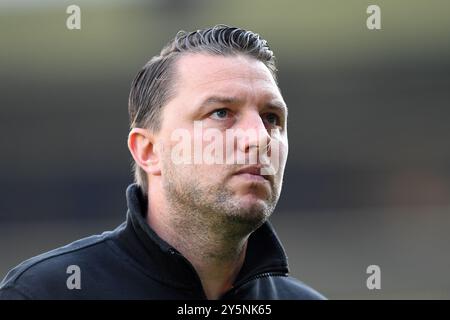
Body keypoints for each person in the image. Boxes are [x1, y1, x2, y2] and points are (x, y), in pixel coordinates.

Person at [0, 25, 325, 300]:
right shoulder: (42, 293)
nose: (259, 138)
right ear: (148, 151)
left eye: (271, 118)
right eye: (221, 113)